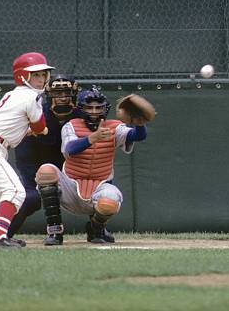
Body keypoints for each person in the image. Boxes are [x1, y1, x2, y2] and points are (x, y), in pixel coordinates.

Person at [34, 87, 148, 244]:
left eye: (98, 107)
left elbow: (138, 136)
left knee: (111, 200)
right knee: (46, 171)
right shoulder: (71, 125)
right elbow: (70, 149)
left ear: (104, 108)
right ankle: (55, 232)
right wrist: (92, 138)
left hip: (99, 187)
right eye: (90, 107)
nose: (94, 111)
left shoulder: (114, 126)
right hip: (70, 188)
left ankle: (95, 230)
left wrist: (140, 123)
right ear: (81, 109)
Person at [0, 52, 54, 249]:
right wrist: (38, 130)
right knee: (15, 191)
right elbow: (38, 126)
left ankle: (0, 235)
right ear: (23, 76)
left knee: (4, 194)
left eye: (43, 75)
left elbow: (16, 126)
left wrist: (28, 130)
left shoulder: (11, 94)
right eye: (36, 75)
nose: (41, 79)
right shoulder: (31, 97)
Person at [6, 75, 79, 246]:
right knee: (31, 197)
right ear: (48, 93)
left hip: (76, 172)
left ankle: (98, 228)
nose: (62, 97)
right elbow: (24, 156)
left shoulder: (83, 115)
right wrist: (34, 182)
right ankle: (3, 235)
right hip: (40, 169)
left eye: (66, 92)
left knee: (99, 183)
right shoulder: (36, 114)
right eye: (57, 92)